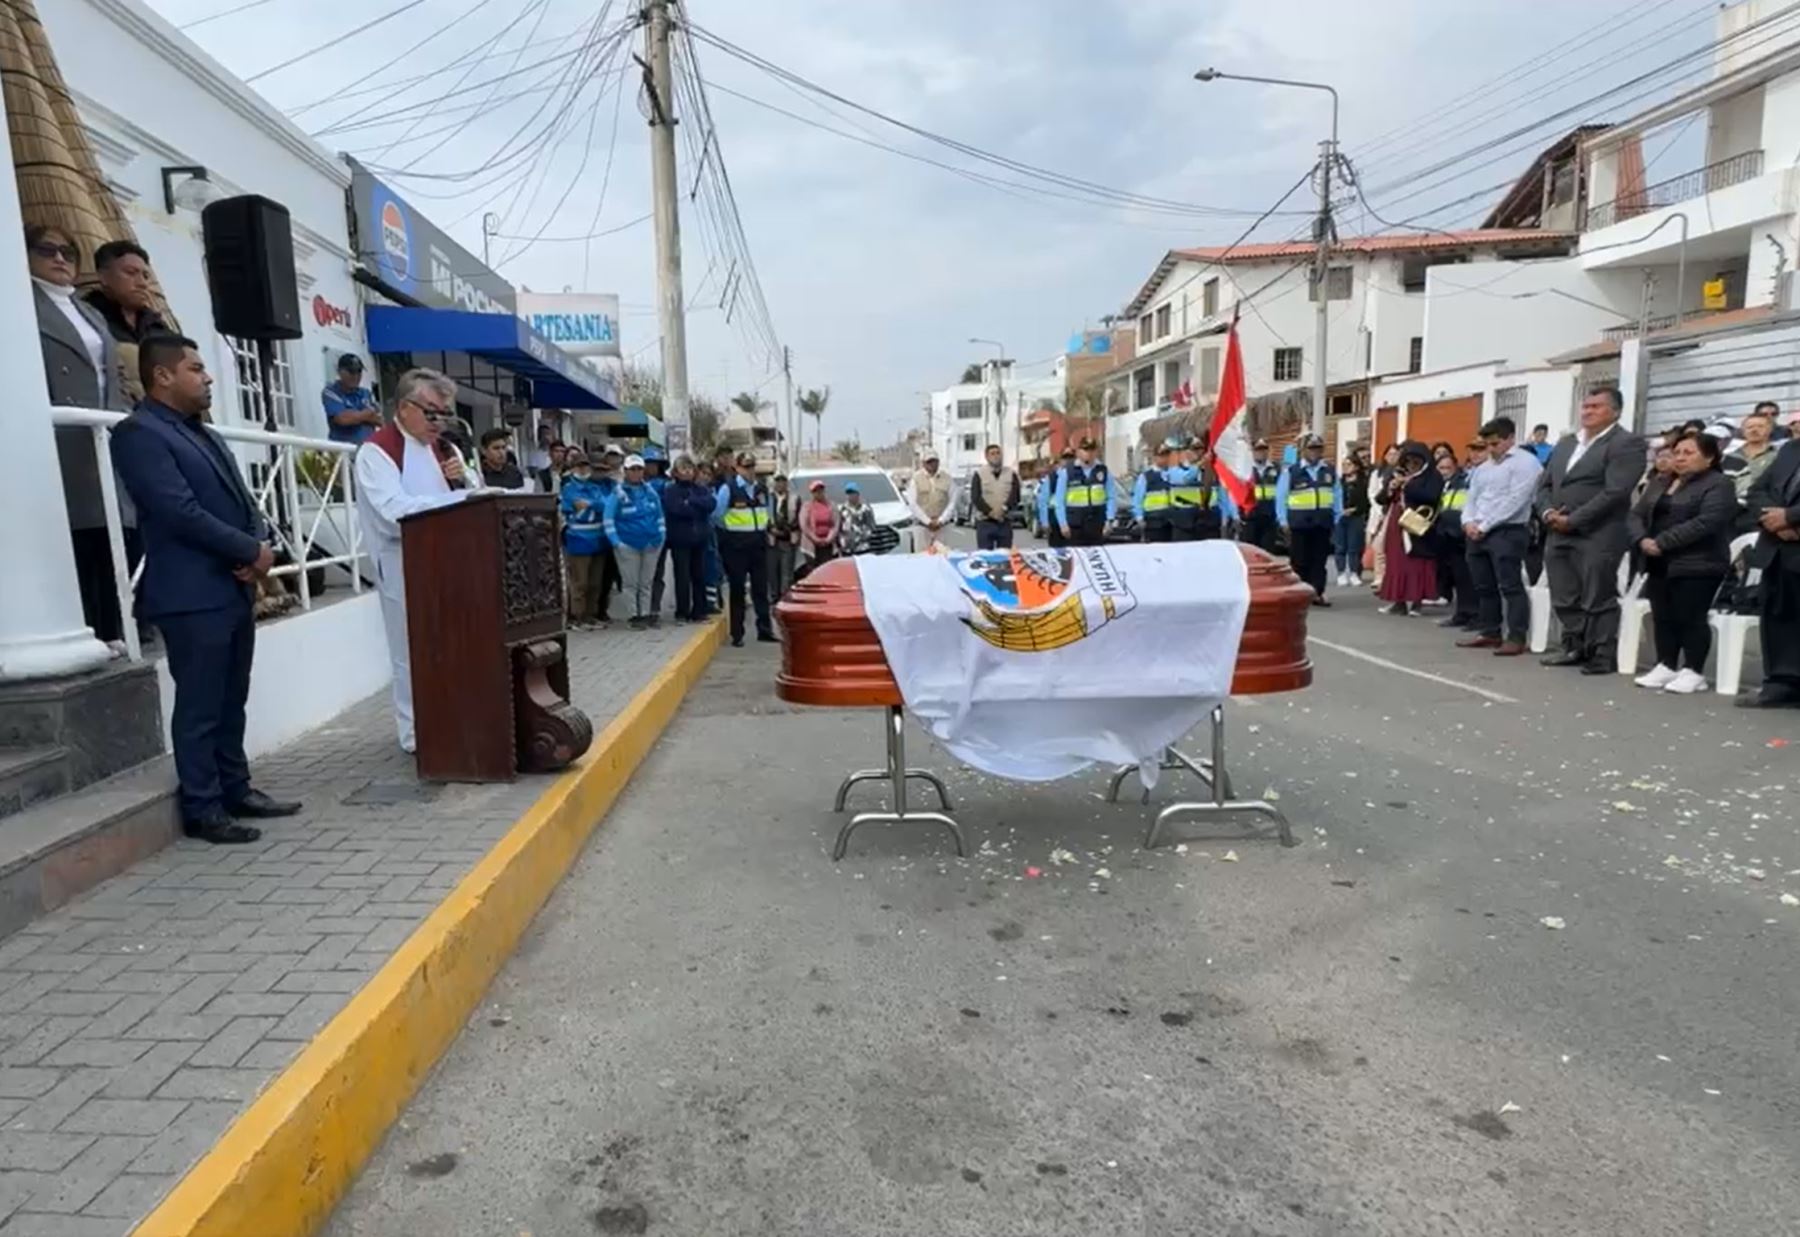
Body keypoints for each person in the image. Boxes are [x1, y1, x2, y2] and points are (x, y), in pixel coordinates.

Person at [111, 334, 299, 843]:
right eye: (196, 368)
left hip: (232, 586)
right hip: (190, 594)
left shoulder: (204, 433)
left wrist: (256, 546)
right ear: (163, 375)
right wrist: (245, 549)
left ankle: (236, 789)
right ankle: (204, 808)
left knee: (231, 699)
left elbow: (243, 500)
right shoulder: (139, 434)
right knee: (199, 704)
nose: (209, 376)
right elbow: (177, 512)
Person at [352, 368, 472, 754]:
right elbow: (393, 512)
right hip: (402, 565)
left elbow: (476, 499)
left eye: (445, 414)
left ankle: (456, 718)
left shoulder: (447, 450)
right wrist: (456, 500)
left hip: (451, 563)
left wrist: (463, 483)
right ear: (405, 408)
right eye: (432, 412)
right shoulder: (378, 451)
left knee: (454, 647)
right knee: (411, 651)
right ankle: (417, 735)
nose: (439, 422)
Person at [30, 223, 136, 646]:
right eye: (47, 250)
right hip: (62, 435)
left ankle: (118, 625)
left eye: (68, 252)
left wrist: (124, 417)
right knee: (82, 535)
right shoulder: (22, 304)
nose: (59, 258)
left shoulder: (88, 311)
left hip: (105, 430)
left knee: (116, 531)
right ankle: (96, 631)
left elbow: (115, 374)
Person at [1536, 386, 1645, 675]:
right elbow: (1545, 484)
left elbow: (1615, 491)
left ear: (1615, 411)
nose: (1588, 411)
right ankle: (1574, 645)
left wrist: (1574, 520)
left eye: (1596, 406)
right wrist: (1547, 512)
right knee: (1563, 592)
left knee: (1597, 593)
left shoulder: (1626, 443)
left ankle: (1602, 652)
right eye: (1586, 406)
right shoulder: (1567, 443)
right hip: (1557, 529)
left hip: (1599, 531)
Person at [1626, 431, 1737, 693]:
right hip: (1658, 560)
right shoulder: (1662, 481)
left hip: (1699, 561)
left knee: (1690, 616)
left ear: (1709, 458)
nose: (1680, 458)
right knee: (1662, 615)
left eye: (1689, 453)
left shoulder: (1718, 484)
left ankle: (1694, 670)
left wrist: (1662, 542)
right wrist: (1642, 539)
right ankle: (1666, 664)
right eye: (1677, 453)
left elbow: (1707, 522)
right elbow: (1636, 514)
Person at [1458, 417, 1541, 657]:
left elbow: (1516, 500)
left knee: (1510, 585)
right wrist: (1468, 521)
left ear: (1510, 439)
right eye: (1487, 445)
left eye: (1495, 444)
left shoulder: (1526, 463)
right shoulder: (1483, 468)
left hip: (1507, 530)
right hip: (1477, 531)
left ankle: (1516, 636)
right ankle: (1489, 631)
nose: (1490, 450)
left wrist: (1485, 525)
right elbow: (1471, 498)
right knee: (1483, 585)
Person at [1743, 434, 1800, 706]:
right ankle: (1781, 682)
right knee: (1778, 614)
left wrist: (1790, 518)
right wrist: (1773, 519)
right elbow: (1756, 490)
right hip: (1779, 545)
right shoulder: (1790, 450)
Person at [1374, 441, 1444, 616]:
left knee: (1417, 564)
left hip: (1418, 525)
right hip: (1396, 524)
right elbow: (1380, 499)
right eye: (1408, 461)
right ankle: (1399, 601)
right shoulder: (1398, 475)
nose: (1411, 465)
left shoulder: (1432, 477)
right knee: (1396, 563)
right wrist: (1390, 489)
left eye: (1415, 462)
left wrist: (1408, 485)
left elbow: (1431, 497)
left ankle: (1417, 602)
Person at [715, 452, 775, 647]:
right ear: (738, 468)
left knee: (760, 589)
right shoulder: (729, 489)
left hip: (758, 544)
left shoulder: (761, 489)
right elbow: (717, 516)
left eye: (752, 467)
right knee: (738, 590)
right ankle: (737, 633)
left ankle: (765, 630)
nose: (750, 471)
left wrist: (767, 529)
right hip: (736, 546)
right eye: (746, 467)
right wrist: (732, 531)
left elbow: (768, 513)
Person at [1276, 433, 1341, 606]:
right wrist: (1282, 520)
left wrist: (1337, 516)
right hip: (1299, 523)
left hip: (1322, 522)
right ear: (1303, 450)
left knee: (1319, 560)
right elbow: (1281, 497)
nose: (1315, 452)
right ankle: (1299, 593)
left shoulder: (1328, 471)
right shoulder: (1291, 471)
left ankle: (1317, 592)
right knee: (1299, 561)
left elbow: (1337, 494)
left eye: (1318, 449)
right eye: (1311, 449)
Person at [604, 454, 666, 629]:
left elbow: (659, 516)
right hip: (627, 544)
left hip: (651, 544)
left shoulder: (650, 492)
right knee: (630, 583)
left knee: (646, 582)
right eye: (632, 469)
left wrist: (661, 537)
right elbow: (608, 519)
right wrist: (617, 542)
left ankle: (645, 614)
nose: (636, 473)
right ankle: (633, 616)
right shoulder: (618, 493)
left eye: (639, 469)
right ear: (625, 471)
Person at [660, 455, 716, 622]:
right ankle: (682, 612)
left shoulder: (700, 489)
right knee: (682, 577)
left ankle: (699, 611)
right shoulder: (671, 490)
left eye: (690, 469)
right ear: (676, 473)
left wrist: (690, 501)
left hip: (700, 539)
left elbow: (710, 504)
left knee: (699, 575)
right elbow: (676, 509)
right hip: (680, 540)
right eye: (683, 469)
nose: (687, 472)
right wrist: (695, 507)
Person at [560, 450, 607, 627]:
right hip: (578, 539)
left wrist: (588, 505)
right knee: (580, 582)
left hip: (598, 539)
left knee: (595, 582)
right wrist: (589, 507)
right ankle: (577, 617)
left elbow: (605, 505)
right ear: (573, 468)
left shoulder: (595, 487)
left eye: (586, 466)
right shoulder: (568, 488)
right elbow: (570, 506)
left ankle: (591, 615)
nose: (583, 469)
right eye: (579, 466)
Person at [1433, 451, 1476, 628]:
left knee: (1467, 578)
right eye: (1441, 468)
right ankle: (1462, 613)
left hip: (1460, 534)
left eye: (1448, 468)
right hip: (1446, 535)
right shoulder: (1443, 485)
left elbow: (1459, 508)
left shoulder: (1463, 482)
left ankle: (1472, 614)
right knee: (1458, 577)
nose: (1444, 471)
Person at [1053, 436, 1113, 547]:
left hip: (1097, 523)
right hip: (1075, 525)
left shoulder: (1103, 471)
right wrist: (1063, 524)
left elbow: (1111, 497)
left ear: (1096, 452)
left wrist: (1109, 520)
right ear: (1079, 452)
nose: (1089, 454)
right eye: (1085, 450)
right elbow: (1059, 501)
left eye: (1092, 450)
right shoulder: (1068, 472)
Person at [1727, 406, 1780, 530]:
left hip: (1767, 512)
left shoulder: (1779, 455)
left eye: (1760, 426)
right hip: (1734, 515)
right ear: (1743, 431)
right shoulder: (1729, 458)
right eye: (1750, 427)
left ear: (1770, 429)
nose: (1754, 430)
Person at [970, 443, 1022, 550]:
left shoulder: (1011, 474)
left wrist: (1004, 509)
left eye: (998, 453)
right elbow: (976, 497)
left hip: (1004, 522)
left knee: (1004, 557)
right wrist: (990, 512)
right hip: (985, 522)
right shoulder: (979, 474)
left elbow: (1015, 495)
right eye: (992, 454)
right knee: (985, 557)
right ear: (987, 457)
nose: (996, 456)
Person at [322, 354, 381, 446]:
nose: (356, 376)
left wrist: (354, 416)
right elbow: (342, 419)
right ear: (340, 372)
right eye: (351, 372)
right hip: (343, 451)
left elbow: (379, 420)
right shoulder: (331, 391)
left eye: (359, 371)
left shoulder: (366, 393)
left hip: (367, 450)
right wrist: (366, 415)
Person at [1335, 450, 1371, 586]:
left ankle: (1354, 572)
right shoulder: (1339, 482)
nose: (1345, 467)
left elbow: (1366, 502)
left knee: (1354, 547)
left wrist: (1354, 510)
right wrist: (1340, 510)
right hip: (1340, 517)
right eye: (1343, 464)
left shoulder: (1363, 483)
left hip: (1356, 517)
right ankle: (1341, 572)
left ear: (1356, 466)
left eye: (1349, 464)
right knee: (1340, 546)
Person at [909, 450, 955, 551]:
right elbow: (912, 503)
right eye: (929, 462)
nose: (932, 464)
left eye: (934, 461)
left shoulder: (947, 478)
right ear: (923, 463)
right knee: (922, 558)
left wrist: (941, 520)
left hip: (942, 527)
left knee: (942, 555)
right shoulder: (916, 478)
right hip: (922, 527)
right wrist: (928, 522)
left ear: (938, 462)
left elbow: (952, 502)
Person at [1241, 439, 1282, 552]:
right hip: (1250, 518)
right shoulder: (1244, 469)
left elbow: (1282, 493)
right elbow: (1235, 494)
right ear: (1252, 452)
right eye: (1258, 449)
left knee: (1267, 553)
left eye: (1264, 449)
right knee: (1250, 552)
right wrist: (1235, 515)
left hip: (1269, 517)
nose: (1261, 452)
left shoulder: (1276, 469)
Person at [767, 473, 800, 605]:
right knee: (772, 570)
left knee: (787, 571)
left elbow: (798, 518)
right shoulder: (768, 498)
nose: (780, 484)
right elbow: (762, 515)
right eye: (777, 482)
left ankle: (785, 596)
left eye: (782, 481)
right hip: (771, 539)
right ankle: (773, 596)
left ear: (786, 484)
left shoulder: (795, 498)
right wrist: (771, 529)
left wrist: (786, 530)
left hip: (788, 538)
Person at [1133, 441, 1175, 542]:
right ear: (1155, 457)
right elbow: (1138, 499)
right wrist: (1139, 517)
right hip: (1153, 523)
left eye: (1166, 455)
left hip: (1171, 522)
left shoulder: (1172, 474)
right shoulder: (1146, 477)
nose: (1165, 459)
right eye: (1161, 456)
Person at [798, 478, 839, 571]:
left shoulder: (831, 505)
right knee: (813, 570)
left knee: (827, 569)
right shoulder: (806, 506)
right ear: (812, 493)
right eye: (816, 491)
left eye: (821, 490)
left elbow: (835, 524)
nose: (819, 493)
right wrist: (816, 539)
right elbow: (804, 525)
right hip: (811, 544)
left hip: (827, 544)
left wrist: (829, 538)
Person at [1039, 448, 1073, 546]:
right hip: (1055, 520)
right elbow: (1043, 501)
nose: (1068, 461)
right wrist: (1045, 522)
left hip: (1073, 518)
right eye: (1065, 458)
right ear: (1060, 461)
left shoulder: (1077, 475)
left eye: (1071, 458)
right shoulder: (1052, 477)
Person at [838, 482, 878, 555]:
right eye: (848, 493)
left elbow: (871, 526)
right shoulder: (843, 509)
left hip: (862, 547)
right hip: (847, 548)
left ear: (857, 494)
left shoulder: (866, 508)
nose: (850, 495)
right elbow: (839, 527)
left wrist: (862, 537)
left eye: (852, 493)